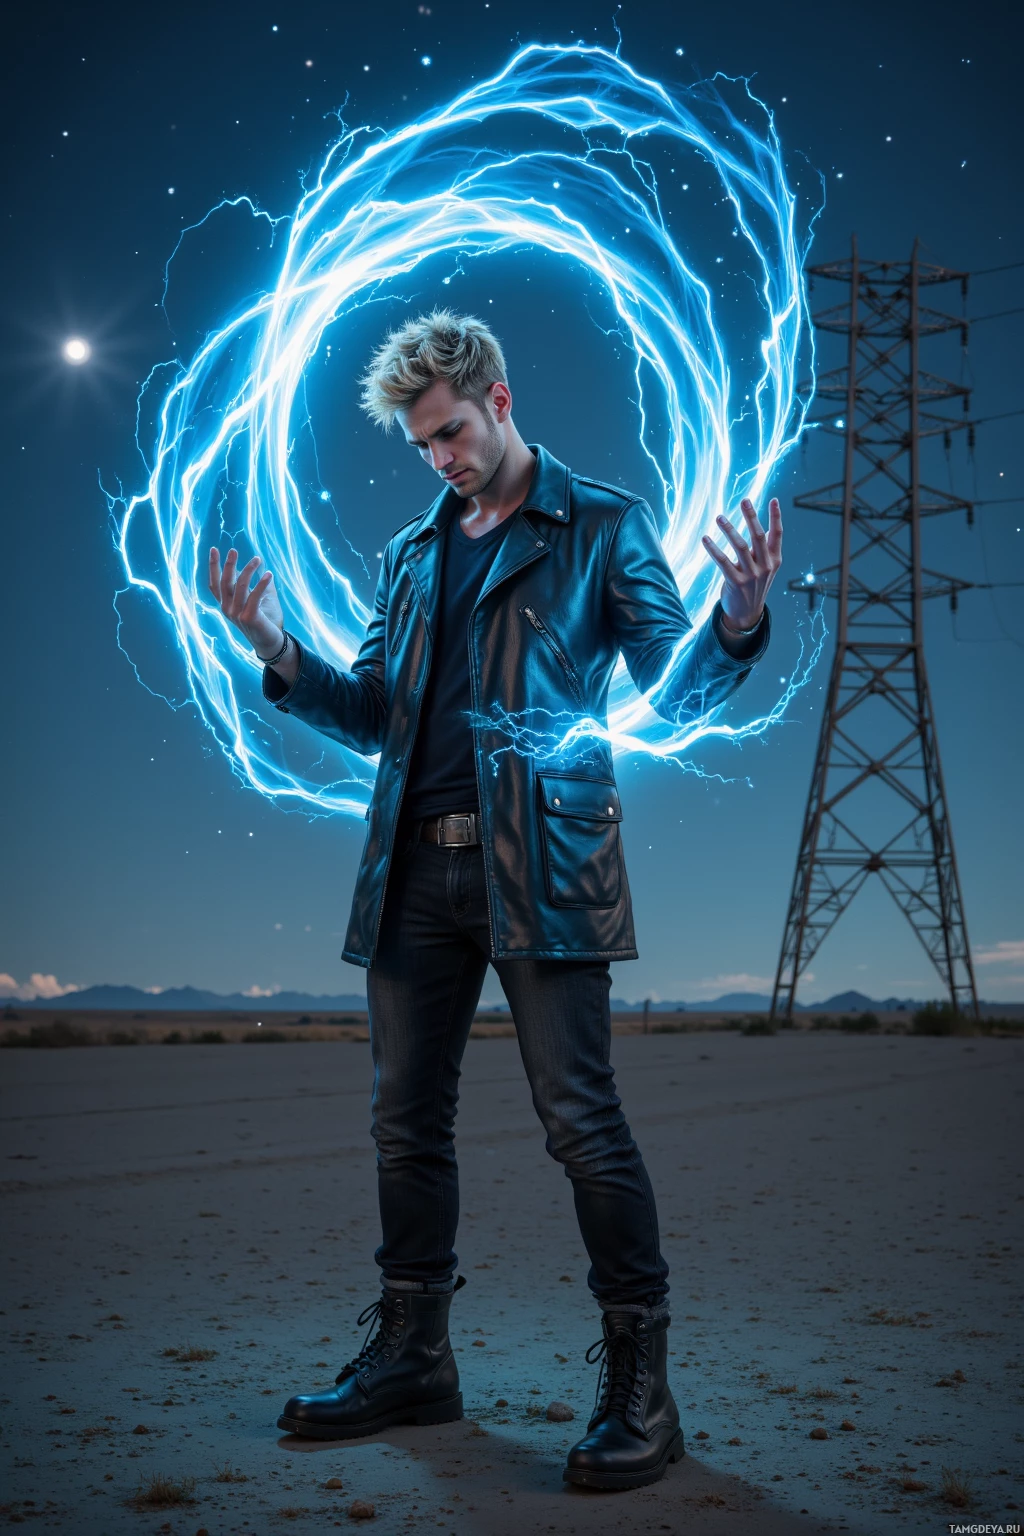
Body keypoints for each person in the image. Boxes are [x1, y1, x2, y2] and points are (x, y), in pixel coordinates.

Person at [209, 309, 782, 1490]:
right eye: (423, 446)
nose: (442, 460)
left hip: (544, 869)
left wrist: (735, 624)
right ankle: (414, 1361)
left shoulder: (602, 529)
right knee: (402, 1123)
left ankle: (642, 1388)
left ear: (501, 400)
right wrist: (274, 646)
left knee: (579, 1120)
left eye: (453, 433)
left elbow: (669, 700)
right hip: (413, 869)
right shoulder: (414, 556)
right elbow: (374, 714)